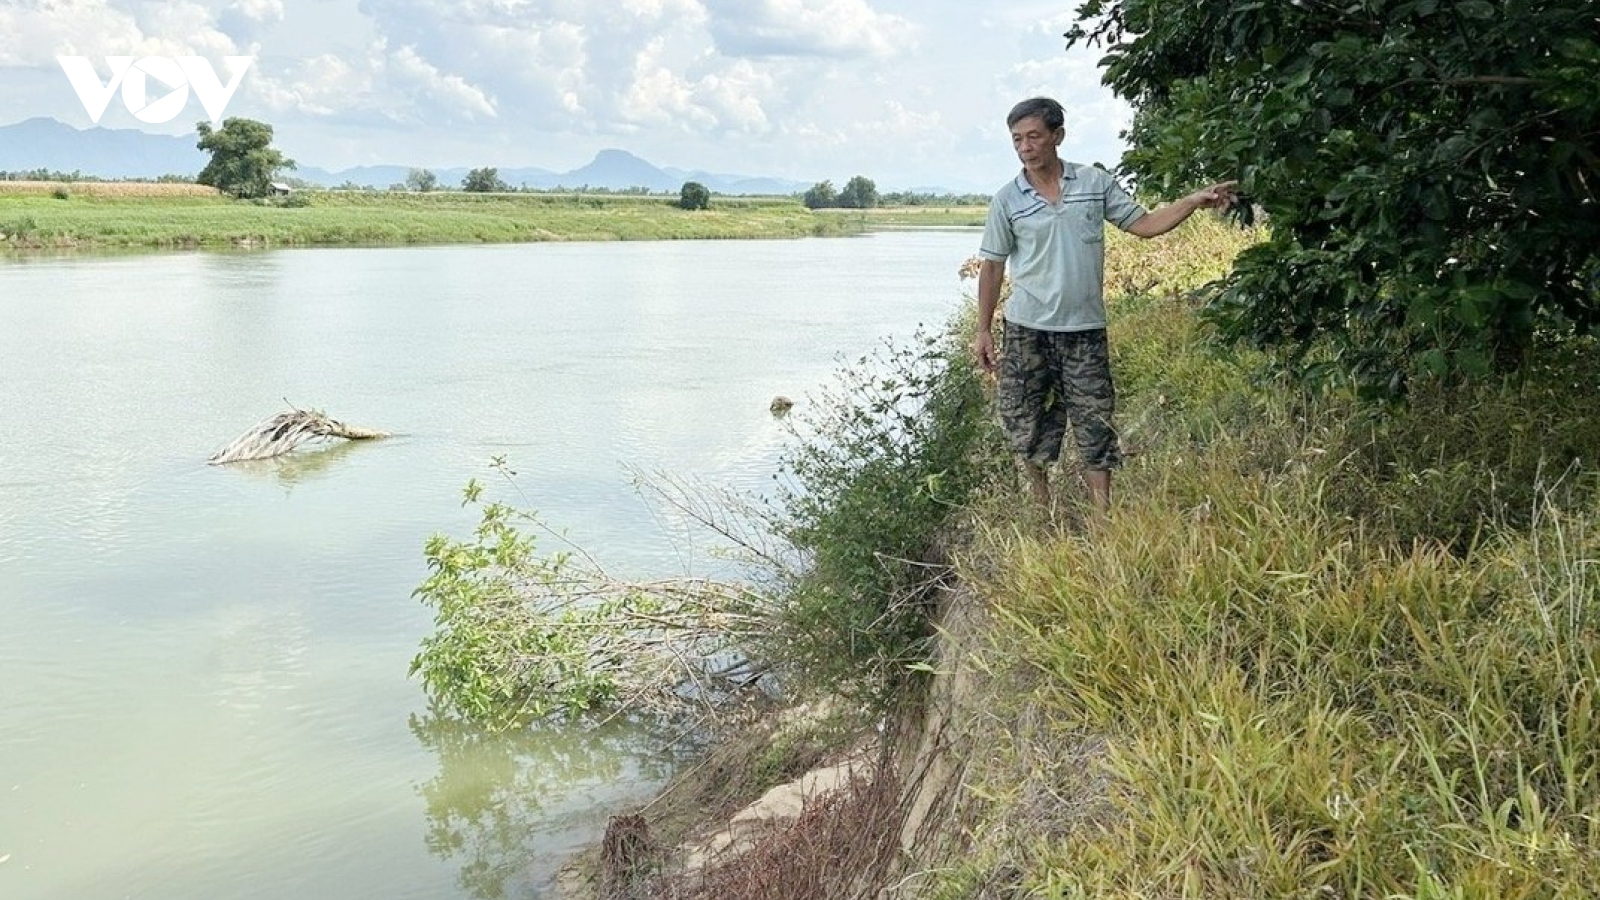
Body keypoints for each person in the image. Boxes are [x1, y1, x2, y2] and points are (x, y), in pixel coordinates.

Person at [972, 96, 1236, 517]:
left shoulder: (1093, 184)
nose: (1025, 147)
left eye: (1034, 136)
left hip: (1084, 330)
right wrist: (984, 330)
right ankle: (1042, 511)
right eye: (1017, 139)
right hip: (1027, 329)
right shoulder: (1008, 199)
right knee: (1025, 422)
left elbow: (1144, 224)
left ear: (1057, 136)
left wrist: (1191, 201)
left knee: (1095, 420)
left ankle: (1102, 519)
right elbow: (992, 267)